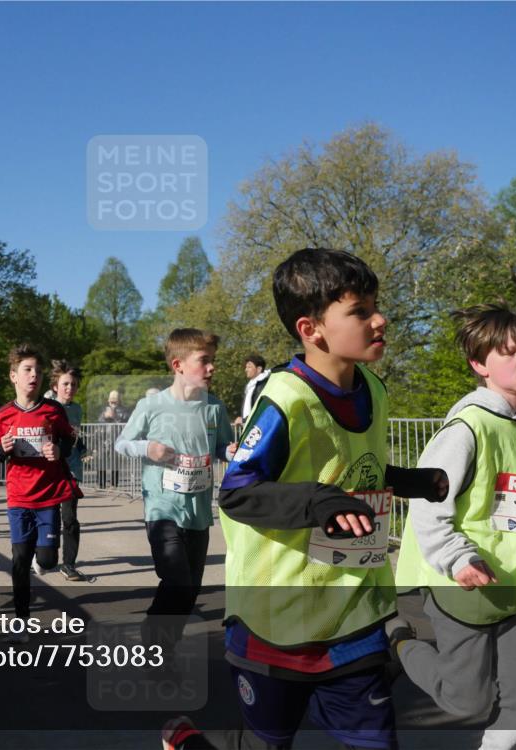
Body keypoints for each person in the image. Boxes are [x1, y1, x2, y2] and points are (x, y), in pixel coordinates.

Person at [216, 248, 447, 750]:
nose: (379, 319)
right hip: (274, 620)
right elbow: (238, 493)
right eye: (360, 311)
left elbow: (351, 473)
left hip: (354, 615)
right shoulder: (286, 398)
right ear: (311, 328)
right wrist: (319, 501)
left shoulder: (374, 390)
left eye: (375, 306)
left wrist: (410, 482)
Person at [392, 304, 516, 750]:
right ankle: (400, 642)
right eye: (511, 352)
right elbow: (427, 508)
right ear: (479, 365)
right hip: (460, 585)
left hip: (513, 586)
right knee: (465, 701)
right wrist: (457, 558)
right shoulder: (464, 429)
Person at [115, 328, 236, 655]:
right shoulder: (152, 405)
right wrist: (148, 448)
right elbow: (122, 442)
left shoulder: (214, 408)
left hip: (198, 513)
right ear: (178, 364)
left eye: (213, 361)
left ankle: (164, 644)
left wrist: (232, 450)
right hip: (162, 510)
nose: (212, 368)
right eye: (205, 361)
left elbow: (223, 446)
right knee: (178, 582)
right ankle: (155, 638)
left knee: (191, 590)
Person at [0, 344, 78, 642]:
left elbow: (68, 441)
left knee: (49, 560)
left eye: (38, 372)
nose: (34, 376)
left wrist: (58, 450)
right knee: (19, 560)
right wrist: (3, 449)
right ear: (13, 376)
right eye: (27, 370)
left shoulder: (53, 410)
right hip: (18, 497)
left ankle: (46, 557)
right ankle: (21, 621)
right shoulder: (2, 416)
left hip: (48, 496)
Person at [51, 360, 88, 581]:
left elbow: (74, 435)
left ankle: (69, 564)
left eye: (73, 384)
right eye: (65, 384)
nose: (70, 388)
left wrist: (82, 449)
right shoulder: (47, 406)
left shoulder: (77, 409)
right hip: (48, 471)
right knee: (48, 517)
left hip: (70, 469)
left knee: (70, 518)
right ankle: (41, 555)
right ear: (56, 386)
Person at [235, 354, 269, 427]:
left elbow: (260, 411)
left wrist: (244, 420)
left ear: (259, 369)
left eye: (249, 367)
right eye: (246, 367)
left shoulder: (263, 386)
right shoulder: (250, 386)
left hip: (259, 428)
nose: (246, 369)